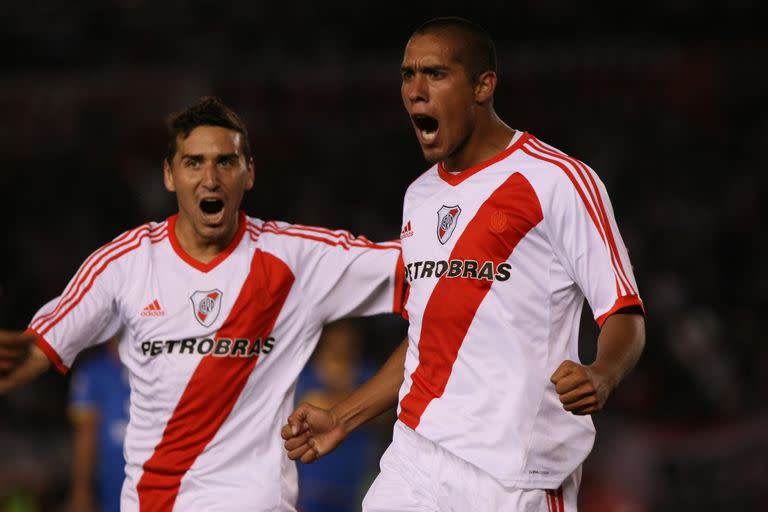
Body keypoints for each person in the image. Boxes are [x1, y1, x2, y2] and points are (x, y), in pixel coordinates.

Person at [282, 16, 646, 511]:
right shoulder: (420, 195)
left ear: (483, 85)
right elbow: (427, 339)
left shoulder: (558, 181)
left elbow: (623, 313)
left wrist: (603, 373)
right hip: (416, 457)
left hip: (515, 474)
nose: (415, 90)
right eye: (407, 75)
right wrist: (344, 417)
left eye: (434, 73)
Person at [0, 97, 405, 511]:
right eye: (193, 162)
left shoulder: (297, 259)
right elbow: (34, 351)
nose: (210, 178)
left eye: (226, 162)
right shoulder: (126, 263)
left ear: (249, 174)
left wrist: (346, 415)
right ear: (169, 175)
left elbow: (436, 285)